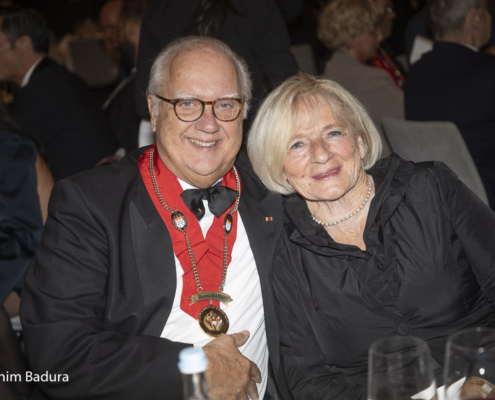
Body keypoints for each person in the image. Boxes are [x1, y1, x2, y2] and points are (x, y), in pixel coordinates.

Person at [20, 36, 286, 400]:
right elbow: (57, 354)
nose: (209, 124)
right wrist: (194, 371)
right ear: (154, 110)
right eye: (187, 104)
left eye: (226, 104)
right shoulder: (90, 206)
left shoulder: (273, 190)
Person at [247, 73, 495, 399]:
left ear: (360, 141)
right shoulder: (282, 247)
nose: (320, 153)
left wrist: (483, 381)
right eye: (297, 144)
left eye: (333, 132)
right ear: (279, 166)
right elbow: (308, 379)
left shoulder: (430, 188)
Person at [0, 7, 119, 181]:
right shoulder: (54, 77)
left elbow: (9, 157)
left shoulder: (40, 92)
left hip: (93, 191)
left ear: (24, 44)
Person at [405, 0, 495, 209]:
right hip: (484, 202)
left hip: (434, 202)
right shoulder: (488, 73)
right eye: (488, 10)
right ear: (475, 18)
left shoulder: (416, 75)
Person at [318, 0, 403, 157]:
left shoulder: (328, 72)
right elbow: (412, 123)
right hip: (385, 163)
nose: (380, 37)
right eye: (372, 32)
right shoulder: (369, 79)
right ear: (352, 36)